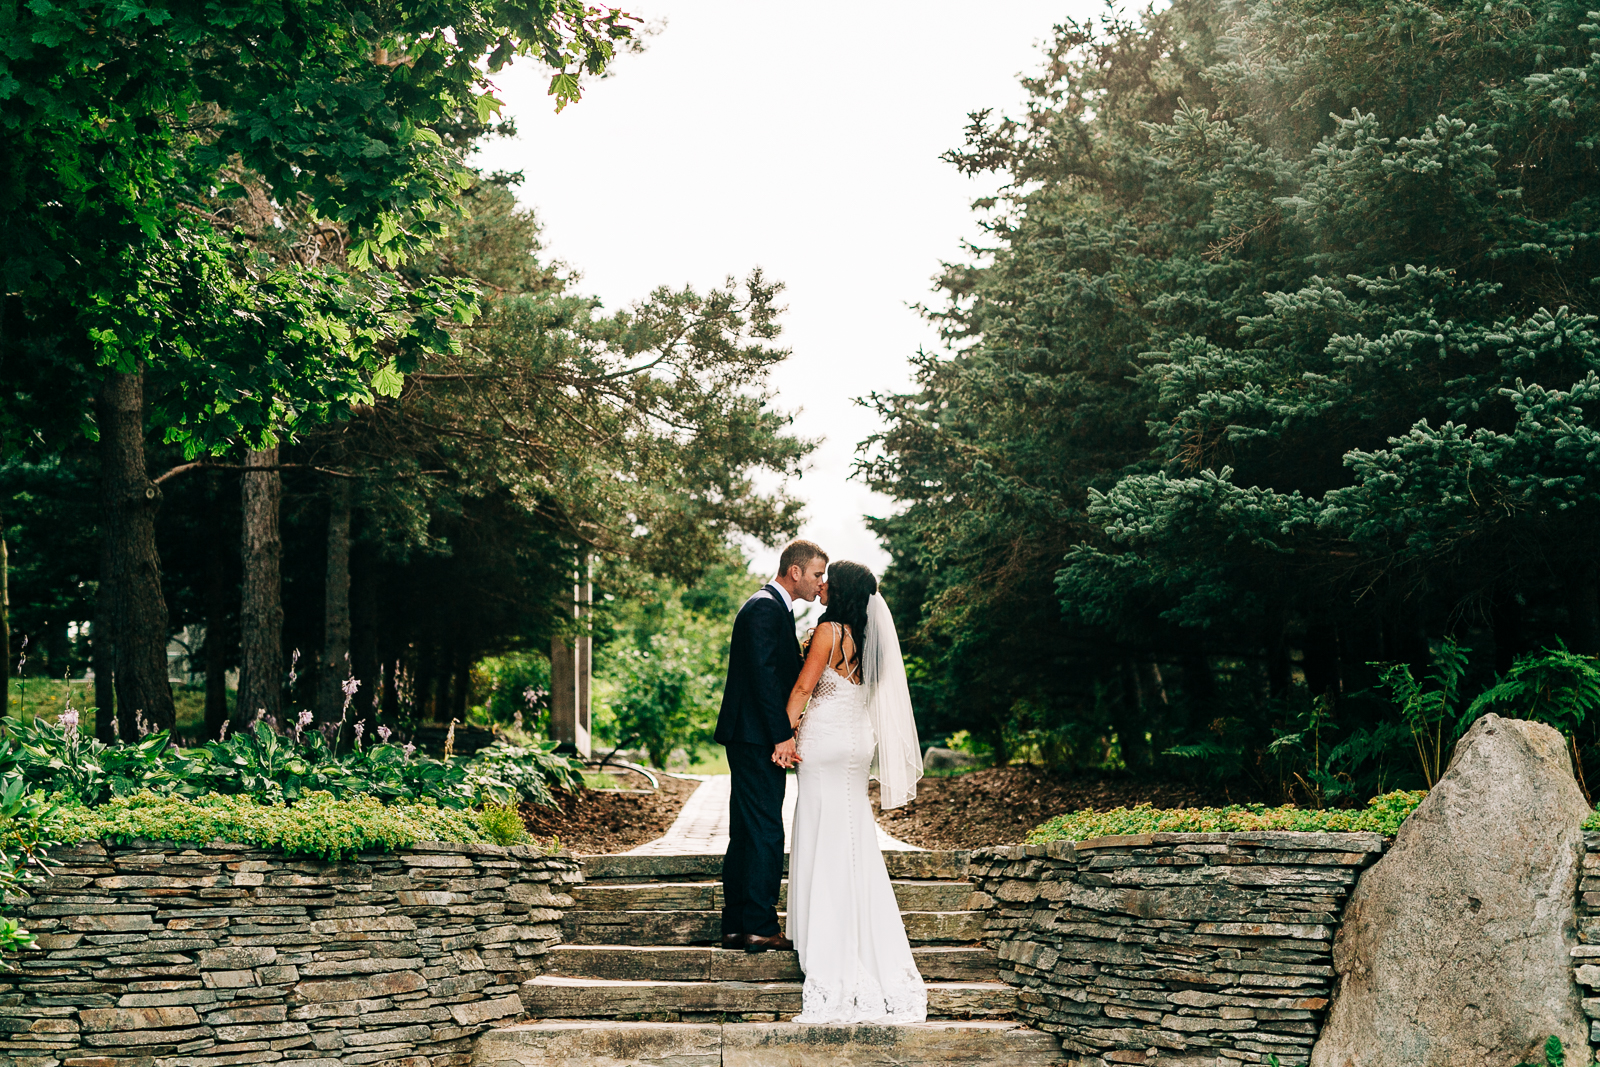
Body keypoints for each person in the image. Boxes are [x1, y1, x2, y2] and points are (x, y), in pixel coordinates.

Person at [783, 560, 927, 1023]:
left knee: (820, 827)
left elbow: (805, 687)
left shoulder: (829, 632)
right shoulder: (870, 639)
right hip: (856, 744)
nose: (821, 585)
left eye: (828, 580)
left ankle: (825, 937)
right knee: (851, 832)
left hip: (824, 741)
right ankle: (860, 930)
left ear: (840, 589)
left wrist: (783, 734)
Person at [714, 539, 828, 953]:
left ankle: (736, 926)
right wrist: (782, 733)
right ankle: (761, 926)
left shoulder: (768, 606)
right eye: (817, 574)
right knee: (764, 829)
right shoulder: (765, 606)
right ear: (794, 572)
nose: (820, 583)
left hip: (747, 733)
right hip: (756, 734)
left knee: (746, 829)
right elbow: (764, 678)